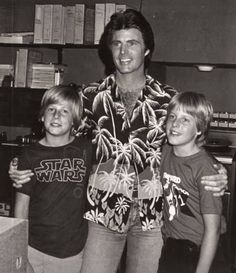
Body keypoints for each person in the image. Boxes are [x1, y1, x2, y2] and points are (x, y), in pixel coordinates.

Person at [9, 9, 227, 273]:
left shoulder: (169, 99)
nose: (124, 52)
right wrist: (21, 162)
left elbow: (192, 144)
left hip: (153, 220)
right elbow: (56, 139)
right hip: (101, 216)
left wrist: (217, 168)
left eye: (132, 43)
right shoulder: (88, 97)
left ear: (147, 50)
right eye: (117, 44)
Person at [14, 85, 92, 273]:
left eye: (65, 111)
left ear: (75, 121)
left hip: (71, 252)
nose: (56, 116)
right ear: (42, 116)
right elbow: (21, 206)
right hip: (33, 247)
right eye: (51, 109)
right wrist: (20, 250)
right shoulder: (29, 155)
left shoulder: (87, 149)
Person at [158, 92, 223, 273]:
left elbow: (214, 229)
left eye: (186, 120)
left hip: (197, 249)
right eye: (172, 116)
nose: (175, 124)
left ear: (199, 129)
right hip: (172, 245)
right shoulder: (165, 152)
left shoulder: (206, 169)